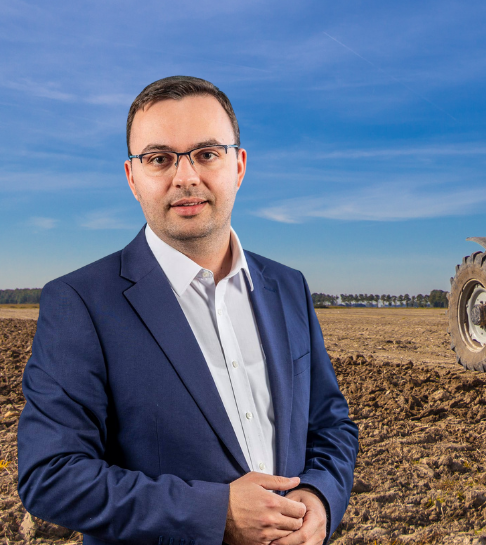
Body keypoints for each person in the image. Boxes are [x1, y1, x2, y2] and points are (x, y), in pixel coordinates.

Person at [18, 76, 359, 545]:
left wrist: (321, 497)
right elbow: (51, 475)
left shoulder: (288, 287)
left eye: (206, 153)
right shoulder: (80, 303)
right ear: (132, 178)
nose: (186, 177)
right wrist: (215, 513)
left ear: (238, 166)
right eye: (159, 159)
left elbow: (330, 425)